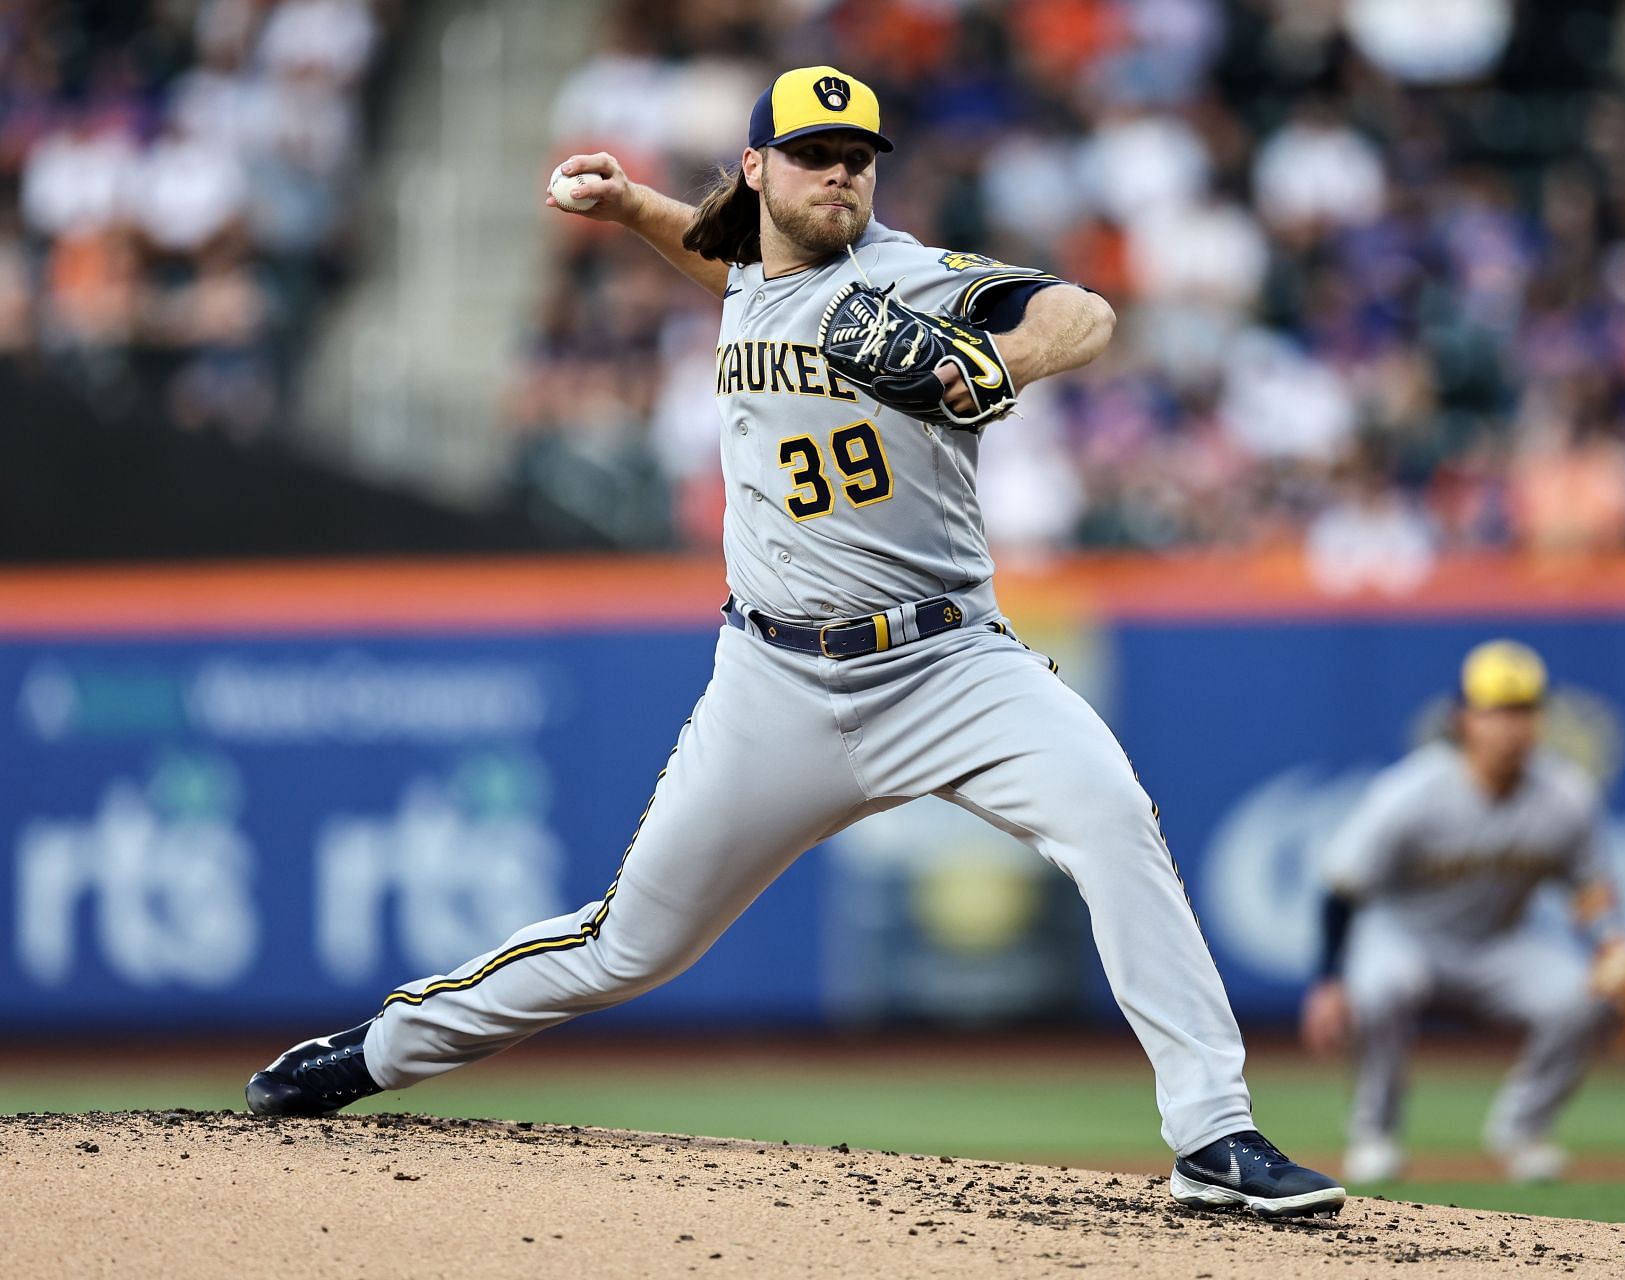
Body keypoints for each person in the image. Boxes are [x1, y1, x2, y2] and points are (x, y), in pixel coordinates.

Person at [244, 65, 1345, 1221]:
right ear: (759, 167)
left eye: (859, 157)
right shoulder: (752, 273)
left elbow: (1084, 313)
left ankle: (1214, 1132)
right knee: (629, 946)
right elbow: (732, 269)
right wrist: (634, 210)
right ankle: (376, 1050)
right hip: (772, 679)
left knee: (1116, 820)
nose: (841, 174)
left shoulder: (903, 275)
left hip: (949, 665)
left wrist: (991, 362)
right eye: (816, 153)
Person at [1300, 640, 1625, 1184]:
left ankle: (1522, 1132)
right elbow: (1343, 885)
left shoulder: (1567, 795)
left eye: (1525, 710)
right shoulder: (1412, 792)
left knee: (1580, 995)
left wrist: (1618, 941)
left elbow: (1590, 890)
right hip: (1407, 936)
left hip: (1500, 944)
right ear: (1462, 718)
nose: (1512, 726)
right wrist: (1328, 981)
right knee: (1381, 986)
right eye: (1498, 710)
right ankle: (1374, 1135)